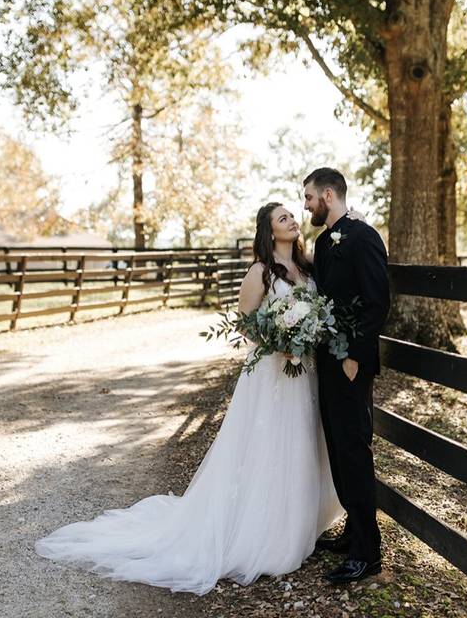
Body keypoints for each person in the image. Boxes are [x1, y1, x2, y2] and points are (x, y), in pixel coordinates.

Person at [35, 201, 344, 595]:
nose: (290, 219)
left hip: (304, 376)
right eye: (281, 217)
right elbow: (246, 323)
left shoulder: (308, 268)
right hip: (273, 375)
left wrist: (305, 337)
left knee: (300, 444)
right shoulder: (260, 272)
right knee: (270, 448)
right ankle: (264, 534)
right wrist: (278, 342)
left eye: (290, 214)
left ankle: (299, 523)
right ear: (268, 232)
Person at [303, 167, 390, 583]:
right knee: (337, 448)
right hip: (327, 361)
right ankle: (353, 531)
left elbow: (377, 301)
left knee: (355, 450)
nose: (306, 205)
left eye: (309, 197)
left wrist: (355, 355)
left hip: (352, 365)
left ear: (330, 195)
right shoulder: (322, 242)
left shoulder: (364, 236)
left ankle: (368, 553)